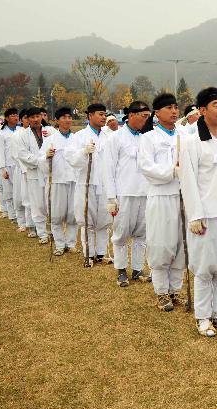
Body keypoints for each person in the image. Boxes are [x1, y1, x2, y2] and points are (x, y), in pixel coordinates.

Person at [179, 87, 217, 337]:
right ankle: (203, 317)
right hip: (207, 212)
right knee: (206, 266)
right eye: (216, 105)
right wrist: (194, 214)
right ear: (202, 110)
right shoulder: (192, 141)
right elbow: (188, 179)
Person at [138, 93, 186, 310]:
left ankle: (176, 290)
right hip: (161, 196)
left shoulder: (185, 134)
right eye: (169, 108)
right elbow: (146, 168)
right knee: (161, 244)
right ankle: (161, 293)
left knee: (180, 245)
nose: (174, 111)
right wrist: (172, 171)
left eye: (176, 107)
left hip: (183, 196)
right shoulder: (149, 137)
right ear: (157, 113)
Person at [104, 100, 152, 287]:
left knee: (142, 233)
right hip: (124, 193)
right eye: (143, 116)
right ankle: (121, 270)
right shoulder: (115, 138)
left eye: (148, 117)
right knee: (121, 233)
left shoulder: (146, 138)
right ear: (131, 115)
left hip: (144, 192)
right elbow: (108, 169)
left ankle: (138, 269)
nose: (146, 120)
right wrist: (111, 197)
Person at [65, 103, 112, 264]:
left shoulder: (108, 136)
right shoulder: (79, 136)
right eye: (100, 114)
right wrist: (83, 152)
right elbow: (71, 159)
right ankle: (89, 254)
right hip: (86, 183)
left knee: (103, 221)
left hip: (104, 184)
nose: (103, 117)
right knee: (87, 220)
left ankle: (101, 252)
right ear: (90, 115)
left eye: (105, 114)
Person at [39, 107, 78, 256]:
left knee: (72, 214)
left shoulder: (76, 138)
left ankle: (71, 243)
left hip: (73, 180)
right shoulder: (50, 140)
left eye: (69, 117)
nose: (67, 120)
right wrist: (46, 157)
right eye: (64, 117)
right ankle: (60, 244)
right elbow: (40, 160)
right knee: (56, 215)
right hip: (57, 180)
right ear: (57, 120)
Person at [16, 107, 49, 242]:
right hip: (34, 173)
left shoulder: (50, 131)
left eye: (38, 116)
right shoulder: (23, 135)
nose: (36, 119)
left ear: (42, 117)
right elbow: (23, 155)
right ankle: (42, 233)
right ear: (28, 119)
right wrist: (41, 160)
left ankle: (51, 230)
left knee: (50, 202)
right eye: (32, 117)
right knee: (37, 204)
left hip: (49, 172)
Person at [0, 109, 21, 223]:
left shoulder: (21, 130)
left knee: (20, 192)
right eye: (12, 115)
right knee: (9, 192)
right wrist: (3, 168)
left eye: (16, 115)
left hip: (20, 165)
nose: (15, 117)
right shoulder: (1, 133)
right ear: (6, 118)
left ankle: (21, 215)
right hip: (8, 165)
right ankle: (12, 215)